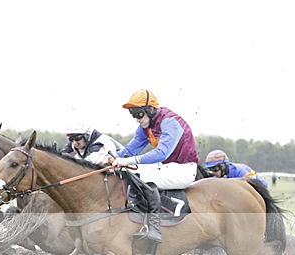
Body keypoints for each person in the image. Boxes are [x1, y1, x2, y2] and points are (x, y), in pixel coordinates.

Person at [107, 89, 200, 243]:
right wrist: (113, 159)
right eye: (133, 115)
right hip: (166, 167)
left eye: (139, 114)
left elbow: (161, 153)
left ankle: (154, 228)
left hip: (184, 169)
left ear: (150, 109)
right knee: (127, 173)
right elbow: (130, 149)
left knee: (141, 176)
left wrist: (128, 161)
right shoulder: (145, 126)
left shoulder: (170, 122)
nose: (137, 119)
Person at [204, 150, 268, 187]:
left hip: (260, 187)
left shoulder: (240, 171)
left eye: (215, 169)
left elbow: (252, 188)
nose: (213, 173)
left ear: (223, 166)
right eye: (210, 169)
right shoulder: (221, 174)